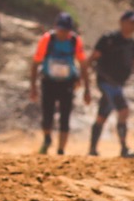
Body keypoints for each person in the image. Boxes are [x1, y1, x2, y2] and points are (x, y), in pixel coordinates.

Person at [28, 11, 93, 156]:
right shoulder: (47, 39)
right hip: (49, 82)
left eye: (66, 30)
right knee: (47, 114)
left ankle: (61, 149)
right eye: (61, 29)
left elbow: (83, 64)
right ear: (56, 27)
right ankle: (47, 139)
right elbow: (35, 62)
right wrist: (33, 87)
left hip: (67, 83)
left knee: (65, 116)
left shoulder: (75, 41)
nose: (63, 33)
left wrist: (87, 89)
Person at [89, 9, 134, 158]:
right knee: (124, 111)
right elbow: (92, 58)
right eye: (131, 22)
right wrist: (84, 76)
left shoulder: (131, 44)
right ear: (122, 23)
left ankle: (92, 149)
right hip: (106, 83)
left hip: (117, 84)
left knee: (102, 116)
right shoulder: (109, 39)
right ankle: (123, 149)